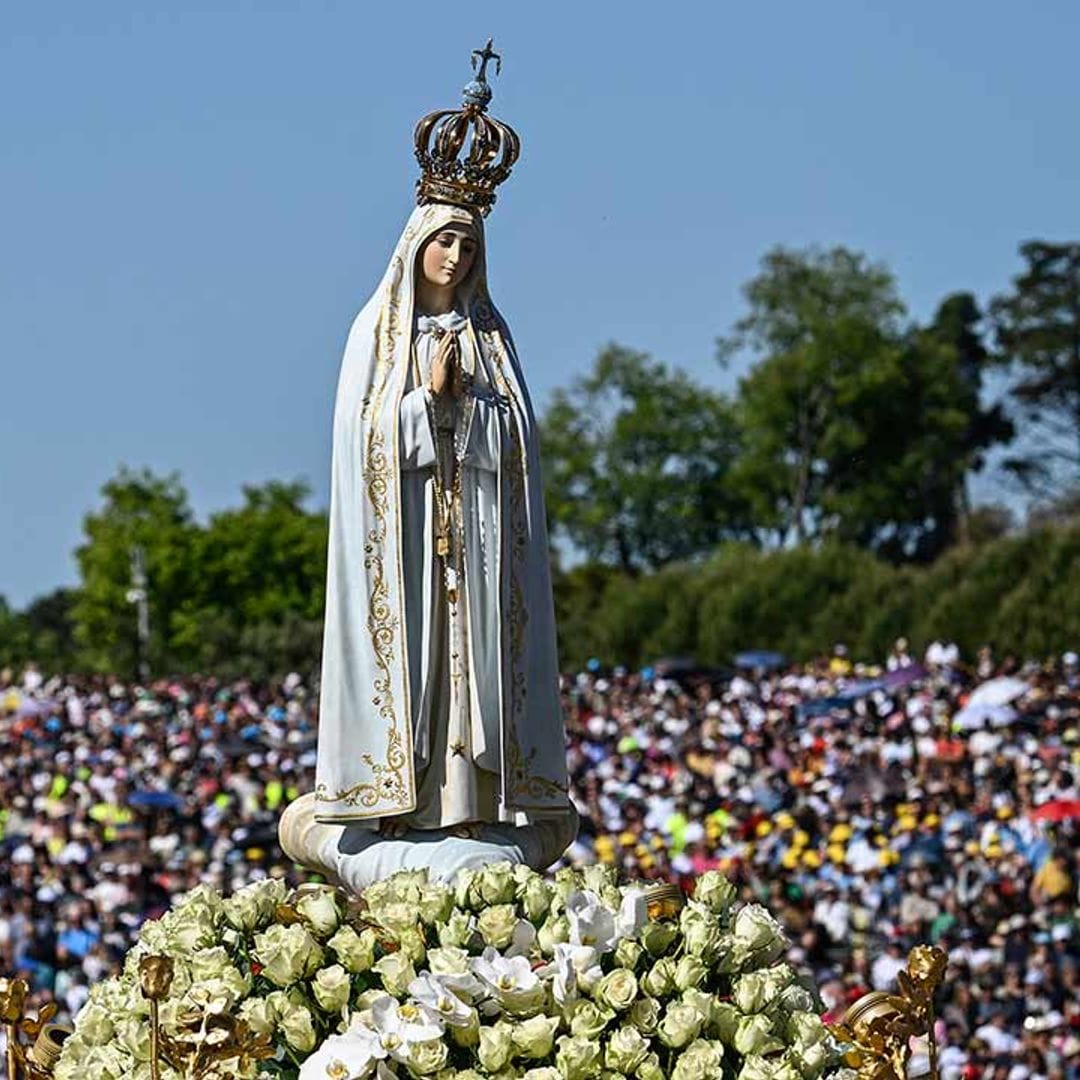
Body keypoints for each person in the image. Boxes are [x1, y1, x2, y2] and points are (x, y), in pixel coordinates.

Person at [311, 45, 571, 850]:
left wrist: (471, 408)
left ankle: (475, 799)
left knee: (475, 668)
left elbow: (521, 436)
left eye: (468, 246)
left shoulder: (491, 333)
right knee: (418, 663)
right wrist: (424, 401)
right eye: (444, 242)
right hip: (413, 541)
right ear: (418, 242)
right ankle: (402, 792)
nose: (455, 258)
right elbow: (362, 444)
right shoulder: (379, 332)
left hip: (480, 542)